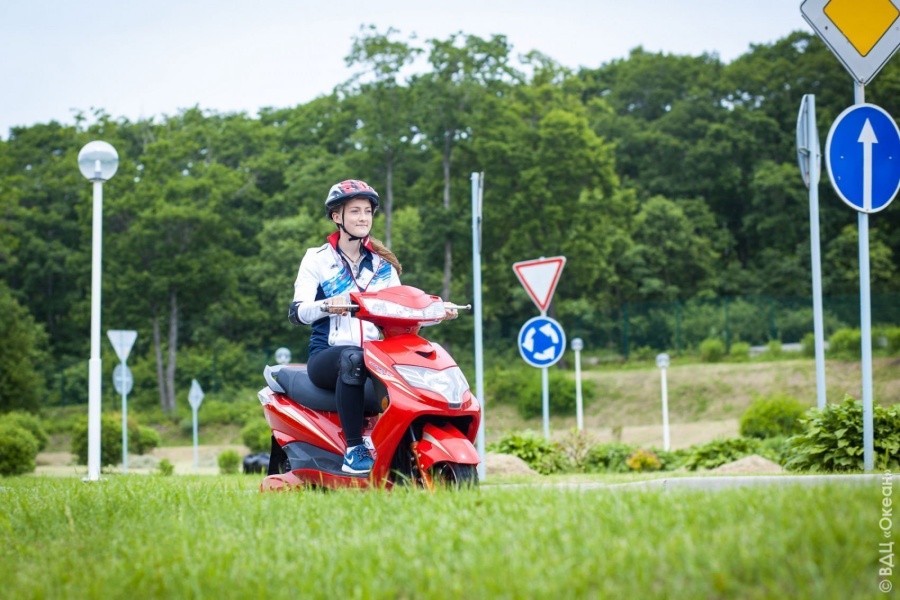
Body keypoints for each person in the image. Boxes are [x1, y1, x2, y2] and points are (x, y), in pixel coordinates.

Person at [287, 179, 403, 474]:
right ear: (336, 216)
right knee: (352, 356)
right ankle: (354, 450)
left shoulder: (383, 267)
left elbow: (400, 308)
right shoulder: (317, 259)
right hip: (328, 357)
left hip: (376, 358)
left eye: (367, 211)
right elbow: (297, 313)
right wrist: (327, 305)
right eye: (355, 211)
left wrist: (433, 309)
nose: (363, 218)